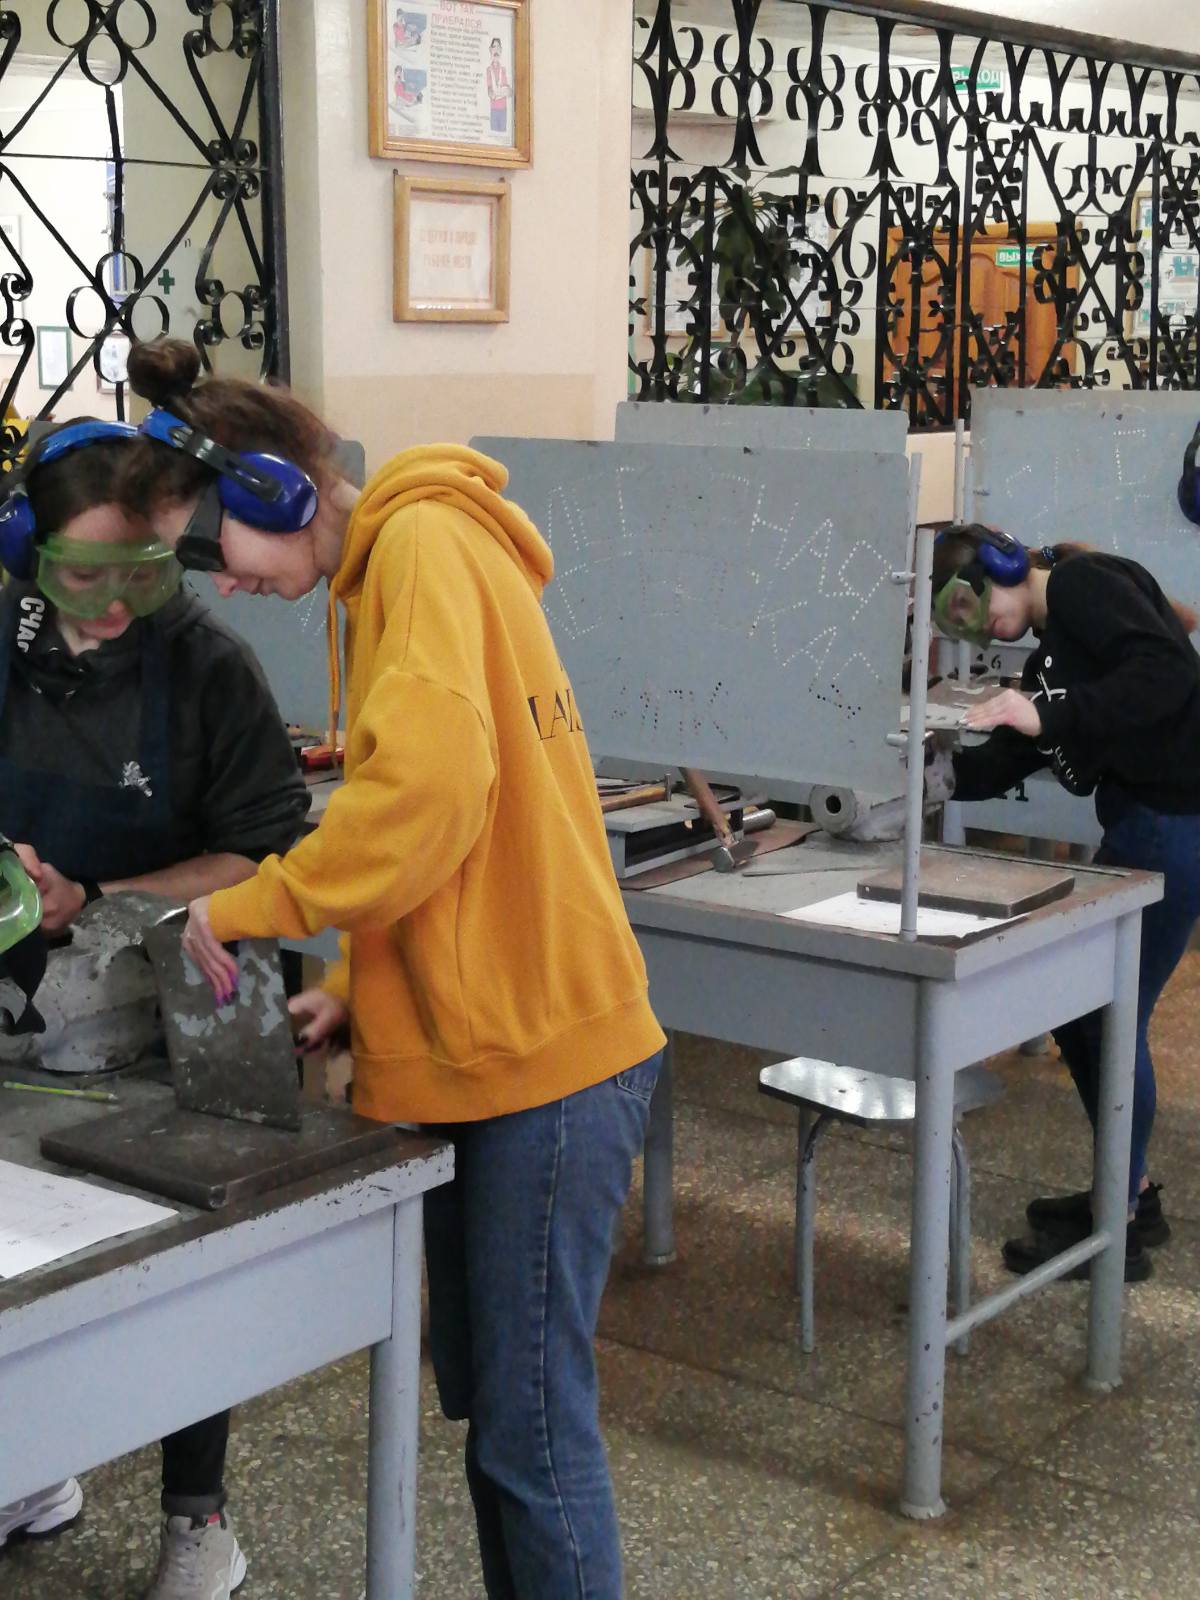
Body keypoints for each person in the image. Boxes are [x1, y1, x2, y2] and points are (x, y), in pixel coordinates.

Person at [116, 337, 666, 1600]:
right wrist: (361, 991)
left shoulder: (418, 549)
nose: (222, 583)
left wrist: (251, 905)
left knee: (534, 1437)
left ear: (271, 489)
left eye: (209, 549)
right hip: (512, 1044)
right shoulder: (395, 570)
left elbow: (424, 800)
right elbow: (454, 836)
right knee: (504, 1423)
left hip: (545, 1064)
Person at [0, 419, 310, 1598]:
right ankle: (29, 1467)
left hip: (182, 992)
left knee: (186, 1261)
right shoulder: (5, 641)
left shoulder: (208, 664)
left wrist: (100, 897)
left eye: (138, 570)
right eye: (82, 575)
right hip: (28, 998)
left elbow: (266, 854)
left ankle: (199, 1516)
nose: (115, 602)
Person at [930, 521, 1200, 1283]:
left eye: (975, 607)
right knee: (1084, 1011)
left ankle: (1120, 1222)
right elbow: (1025, 749)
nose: (982, 630)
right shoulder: (1053, 652)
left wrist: (1046, 715)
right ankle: (1127, 1192)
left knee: (1108, 1015)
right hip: (1151, 822)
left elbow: (1165, 673)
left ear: (1003, 564)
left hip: (1171, 824)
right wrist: (936, 774)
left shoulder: (1084, 585)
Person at [486, 37, 512, 135]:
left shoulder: (503, 70)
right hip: (494, 109)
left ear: (501, 50)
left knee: (503, 133)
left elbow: (509, 91)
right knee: (494, 134)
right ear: (490, 50)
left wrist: (506, 91)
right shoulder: (489, 70)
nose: (496, 50)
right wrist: (495, 93)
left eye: (498, 47)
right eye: (494, 47)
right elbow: (490, 91)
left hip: (503, 109)